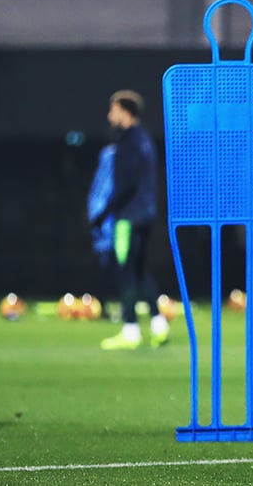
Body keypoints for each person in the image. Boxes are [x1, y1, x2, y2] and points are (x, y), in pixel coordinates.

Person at [92, 90, 170, 350]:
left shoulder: (127, 143)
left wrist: (103, 214)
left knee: (125, 270)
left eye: (112, 110)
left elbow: (124, 185)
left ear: (125, 112)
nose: (109, 115)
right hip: (145, 215)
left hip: (128, 217)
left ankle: (130, 330)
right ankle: (159, 325)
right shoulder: (145, 140)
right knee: (139, 270)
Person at [87, 142, 118, 319]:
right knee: (109, 264)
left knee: (108, 264)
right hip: (107, 221)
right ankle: (103, 304)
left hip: (104, 218)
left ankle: (104, 304)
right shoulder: (110, 165)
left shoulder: (104, 173)